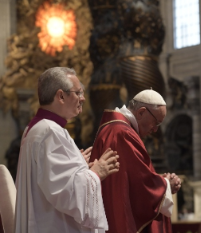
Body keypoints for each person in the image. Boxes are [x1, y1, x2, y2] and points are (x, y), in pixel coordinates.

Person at [14, 67, 120, 233]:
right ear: (61, 96)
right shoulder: (51, 132)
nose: (83, 98)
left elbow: (51, 177)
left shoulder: (35, 128)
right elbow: (66, 194)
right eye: (78, 92)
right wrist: (96, 173)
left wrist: (80, 166)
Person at [90, 89, 181, 233]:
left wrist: (161, 182)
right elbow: (140, 187)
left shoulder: (117, 128)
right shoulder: (122, 133)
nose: (155, 130)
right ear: (141, 112)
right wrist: (166, 185)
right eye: (155, 123)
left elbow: (133, 179)